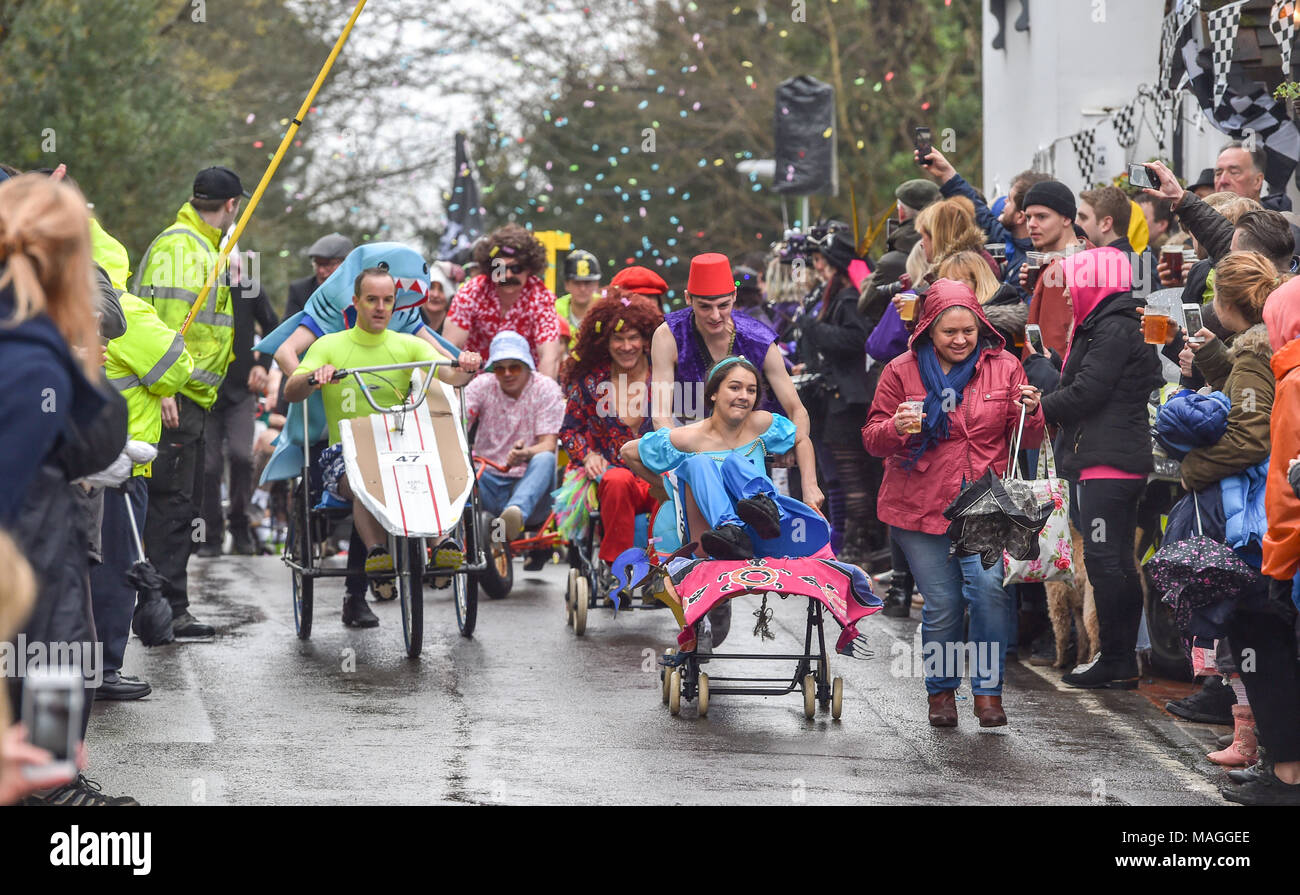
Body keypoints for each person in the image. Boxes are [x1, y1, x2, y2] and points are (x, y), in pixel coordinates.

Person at [0, 174, 136, 804]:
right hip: (30, 545)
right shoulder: (30, 349)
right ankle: (53, 788)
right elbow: (92, 436)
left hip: (38, 534)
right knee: (54, 648)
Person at [863, 279, 1043, 728]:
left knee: (987, 593)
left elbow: (1033, 438)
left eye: (969, 331)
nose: (961, 340)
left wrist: (1034, 410)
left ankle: (987, 694)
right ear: (928, 330)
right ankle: (941, 694)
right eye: (950, 333)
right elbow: (871, 439)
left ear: (981, 326)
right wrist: (896, 428)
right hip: (917, 502)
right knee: (942, 603)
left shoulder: (1005, 366)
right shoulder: (901, 371)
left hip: (985, 501)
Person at [284, 267, 471, 628]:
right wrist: (313, 377)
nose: (381, 307)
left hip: (402, 446)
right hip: (347, 452)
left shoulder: (408, 345)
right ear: (356, 302)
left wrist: (467, 365)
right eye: (372, 300)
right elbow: (292, 390)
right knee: (363, 477)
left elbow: (450, 375)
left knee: (432, 465)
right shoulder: (329, 346)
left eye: (388, 300)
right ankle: (376, 554)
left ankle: (442, 543)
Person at [1029, 247, 1163, 690]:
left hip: (1110, 460)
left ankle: (1116, 658)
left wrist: (1041, 408)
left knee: (1107, 562)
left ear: (1095, 282)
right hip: (1110, 457)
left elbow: (1088, 391)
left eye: (1073, 282)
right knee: (1116, 561)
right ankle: (1118, 658)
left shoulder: (1111, 327)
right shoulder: (1113, 323)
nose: (1066, 292)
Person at [132, 165, 249, 638]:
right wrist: (166, 388)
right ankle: (166, 610)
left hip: (183, 394)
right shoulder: (187, 249)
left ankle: (164, 605)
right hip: (178, 397)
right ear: (231, 206)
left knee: (176, 503)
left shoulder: (186, 243)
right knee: (173, 506)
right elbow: (168, 327)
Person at [1172, 252, 1278, 766]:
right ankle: (1258, 747)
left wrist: (1193, 468)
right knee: (1247, 633)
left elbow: (1252, 435)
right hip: (1258, 508)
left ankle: (1264, 751)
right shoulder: (1253, 347)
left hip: (1251, 514)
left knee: (1248, 629)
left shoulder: (1258, 353)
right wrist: (1217, 358)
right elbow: (1246, 392)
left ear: (1226, 302)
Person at [650, 253, 822, 511]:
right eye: (704, 307)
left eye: (723, 305)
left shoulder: (758, 338)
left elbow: (797, 410)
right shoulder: (668, 335)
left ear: (734, 297)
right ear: (688, 298)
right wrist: (674, 459)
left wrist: (802, 465)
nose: (715, 316)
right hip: (690, 444)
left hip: (748, 449)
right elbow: (660, 415)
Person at [93, 275, 195, 700]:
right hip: (118, 469)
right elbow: (176, 367)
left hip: (101, 461)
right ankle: (101, 670)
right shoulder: (126, 309)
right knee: (118, 569)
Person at [1219, 276, 1300, 804]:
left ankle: (1288, 776)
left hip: (1294, 551)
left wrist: (1280, 560)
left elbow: (1291, 482)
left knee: (1261, 636)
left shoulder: (1293, 378)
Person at [623, 356, 829, 562]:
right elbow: (629, 452)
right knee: (699, 463)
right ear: (713, 393)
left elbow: (801, 439)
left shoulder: (762, 423)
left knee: (734, 463)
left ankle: (763, 508)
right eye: (735, 387)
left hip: (767, 534)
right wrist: (670, 489)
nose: (744, 396)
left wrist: (810, 486)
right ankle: (730, 531)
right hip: (714, 541)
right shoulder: (688, 437)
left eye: (751, 390)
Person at [559, 290, 664, 568]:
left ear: (645, 340)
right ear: (605, 342)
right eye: (618, 338)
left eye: (633, 337)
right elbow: (569, 431)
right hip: (612, 478)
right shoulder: (591, 383)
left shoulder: (665, 376)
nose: (626, 346)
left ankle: (661, 567)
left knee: (670, 481)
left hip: (656, 474)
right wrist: (587, 456)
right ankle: (617, 569)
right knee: (617, 480)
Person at [800, 228, 882, 568]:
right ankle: (847, 544)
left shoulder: (847, 297)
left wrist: (813, 329)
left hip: (847, 403)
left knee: (850, 479)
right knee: (842, 478)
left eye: (820, 261)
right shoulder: (841, 295)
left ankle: (855, 546)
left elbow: (857, 339)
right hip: (839, 400)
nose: (817, 268)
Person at [200, 253, 278, 557]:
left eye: (235, 267)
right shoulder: (200, 291)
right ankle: (210, 535)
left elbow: (272, 325)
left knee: (242, 457)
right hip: (205, 391)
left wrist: (264, 364)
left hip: (242, 392)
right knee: (208, 467)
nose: (230, 272)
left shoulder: (250, 290)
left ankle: (240, 522)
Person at [464, 331, 566, 542]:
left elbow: (548, 444)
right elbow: (458, 422)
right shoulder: (482, 385)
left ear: (527, 366)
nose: (507, 373)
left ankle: (515, 513)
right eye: (500, 368)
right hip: (486, 479)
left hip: (528, 485)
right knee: (461, 469)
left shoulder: (546, 389)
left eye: (515, 367)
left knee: (545, 458)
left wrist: (525, 453)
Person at [917, 146, 1047, 298]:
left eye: (1010, 200)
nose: (1004, 200)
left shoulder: (1031, 265)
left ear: (1020, 216)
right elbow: (982, 215)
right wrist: (947, 174)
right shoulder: (1008, 241)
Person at [444, 224, 564, 378]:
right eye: (499, 268)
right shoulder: (472, 291)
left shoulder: (541, 298)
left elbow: (549, 356)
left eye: (515, 269)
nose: (507, 275)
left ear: (529, 269)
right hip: (475, 385)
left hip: (523, 387)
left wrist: (542, 397)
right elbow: (449, 347)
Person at [857, 179, 940, 317]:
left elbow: (866, 307)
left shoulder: (891, 262)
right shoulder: (955, 252)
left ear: (901, 212)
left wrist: (870, 281)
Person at [1020, 180, 1084, 358]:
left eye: (1041, 217)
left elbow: (1052, 345)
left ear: (1066, 218)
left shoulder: (1059, 271)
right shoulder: (1090, 252)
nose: (1031, 224)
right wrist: (1036, 289)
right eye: (1028, 217)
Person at [286, 232, 353, 319]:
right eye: (317, 264)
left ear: (347, 262)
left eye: (329, 265)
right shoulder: (300, 290)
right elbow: (289, 326)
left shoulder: (360, 288)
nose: (321, 271)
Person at [1214, 140, 1290, 212]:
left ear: (1257, 181)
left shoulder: (1281, 224)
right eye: (1218, 174)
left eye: (1234, 172)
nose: (1223, 181)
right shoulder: (1205, 223)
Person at [556, 248, 602, 348]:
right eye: (577, 283)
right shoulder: (554, 310)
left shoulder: (606, 308)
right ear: (566, 284)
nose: (582, 289)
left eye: (587, 282)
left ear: (596, 284)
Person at [419, 261, 456, 335]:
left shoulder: (455, 325)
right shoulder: (409, 318)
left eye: (442, 289)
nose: (435, 295)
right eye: (431, 287)